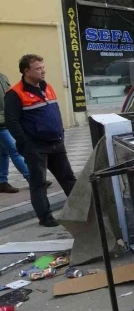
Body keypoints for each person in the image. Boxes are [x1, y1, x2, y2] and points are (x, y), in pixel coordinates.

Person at [5, 54, 77, 227]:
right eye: (38, 68)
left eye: (43, 67)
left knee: (69, 178)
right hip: (36, 147)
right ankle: (46, 218)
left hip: (56, 142)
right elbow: (12, 122)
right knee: (39, 183)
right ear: (26, 71)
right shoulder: (15, 94)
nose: (43, 71)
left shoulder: (47, 87)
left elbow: (55, 111)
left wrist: (60, 132)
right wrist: (27, 143)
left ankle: (81, 209)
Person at [0, 71, 30, 193]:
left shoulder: (3, 76)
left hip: (6, 119)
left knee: (3, 153)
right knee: (15, 150)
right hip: (1, 124)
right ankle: (32, 178)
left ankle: (2, 182)